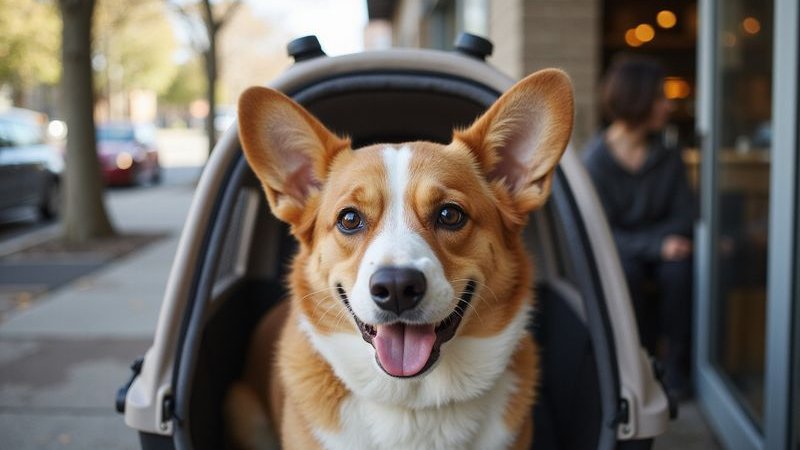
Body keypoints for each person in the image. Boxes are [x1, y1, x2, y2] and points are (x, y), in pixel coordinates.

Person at [583, 55, 694, 399]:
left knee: (679, 272)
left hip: (661, 250)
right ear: (639, 99)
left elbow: (684, 216)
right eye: (660, 97)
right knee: (625, 272)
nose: (667, 105)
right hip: (626, 252)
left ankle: (676, 366)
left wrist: (661, 246)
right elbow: (600, 234)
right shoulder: (594, 161)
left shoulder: (669, 156)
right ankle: (638, 364)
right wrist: (655, 245)